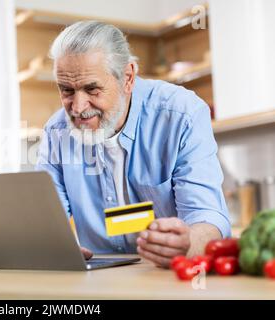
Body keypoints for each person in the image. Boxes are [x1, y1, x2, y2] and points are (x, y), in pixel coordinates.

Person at [35, 21, 231, 268]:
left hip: (170, 277)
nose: (77, 107)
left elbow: (207, 216)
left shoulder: (181, 114)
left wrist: (189, 243)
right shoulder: (57, 132)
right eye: (66, 90)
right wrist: (49, 245)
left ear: (127, 77)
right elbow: (45, 222)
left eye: (92, 89)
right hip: (100, 282)